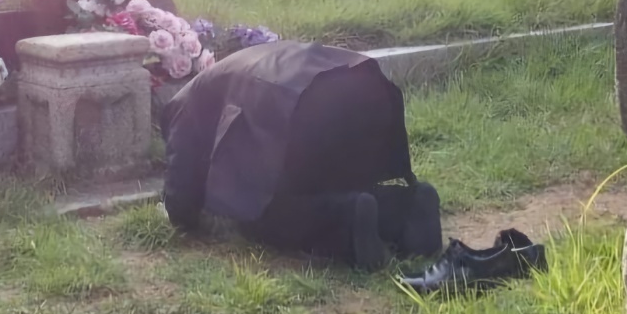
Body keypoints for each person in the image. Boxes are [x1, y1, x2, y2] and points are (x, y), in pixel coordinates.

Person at [159, 40, 442, 270]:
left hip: (296, 96)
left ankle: (346, 220)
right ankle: (408, 205)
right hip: (358, 80)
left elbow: (181, 187)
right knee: (337, 182)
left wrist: (179, 216)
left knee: (264, 215)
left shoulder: (182, 106)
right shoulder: (220, 75)